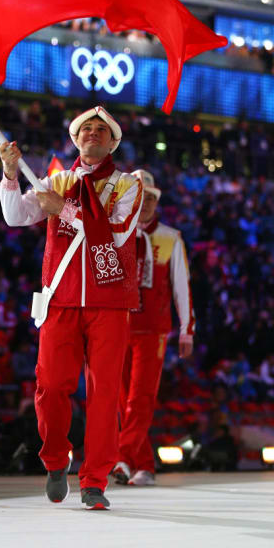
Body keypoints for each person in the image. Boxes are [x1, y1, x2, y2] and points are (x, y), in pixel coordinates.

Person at [0, 106, 142, 510]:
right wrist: (10, 174)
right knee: (49, 388)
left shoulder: (127, 185)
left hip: (110, 302)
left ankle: (95, 480)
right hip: (60, 298)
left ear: (113, 142)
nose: (93, 133)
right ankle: (55, 459)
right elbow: (15, 215)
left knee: (104, 394)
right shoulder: (56, 180)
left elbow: (116, 233)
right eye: (86, 129)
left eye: (101, 130)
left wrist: (60, 208)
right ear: (76, 139)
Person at [113, 169, 195, 487]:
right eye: (139, 197)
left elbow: (182, 287)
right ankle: (144, 465)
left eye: (149, 198)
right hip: (117, 327)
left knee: (141, 398)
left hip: (153, 330)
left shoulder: (171, 237)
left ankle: (120, 456)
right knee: (123, 401)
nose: (144, 203)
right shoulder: (115, 235)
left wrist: (187, 328)